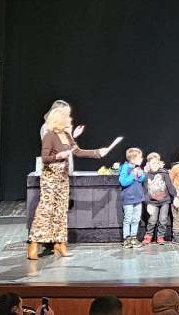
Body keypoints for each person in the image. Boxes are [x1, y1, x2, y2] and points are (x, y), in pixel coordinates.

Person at [28, 105, 110, 260]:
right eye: (67, 117)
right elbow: (45, 158)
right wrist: (58, 156)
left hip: (63, 178)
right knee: (46, 210)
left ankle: (60, 243)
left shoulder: (66, 135)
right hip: (51, 177)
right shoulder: (50, 136)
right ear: (59, 119)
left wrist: (98, 152)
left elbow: (78, 151)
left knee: (61, 210)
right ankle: (33, 243)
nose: (70, 119)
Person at [118, 148, 147, 249]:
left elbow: (141, 179)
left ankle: (134, 238)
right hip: (128, 199)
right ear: (133, 159)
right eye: (140, 157)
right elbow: (123, 182)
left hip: (138, 198)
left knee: (136, 219)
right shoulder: (125, 167)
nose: (142, 159)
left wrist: (141, 175)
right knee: (128, 219)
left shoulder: (137, 167)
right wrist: (132, 174)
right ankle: (126, 239)